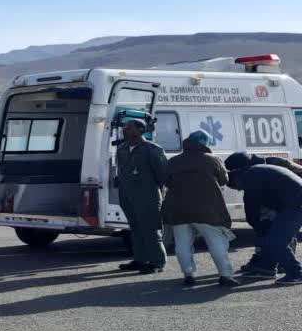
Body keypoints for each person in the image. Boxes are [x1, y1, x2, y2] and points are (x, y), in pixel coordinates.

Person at [160, 130, 238, 287]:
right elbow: (223, 181)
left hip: (178, 208)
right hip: (208, 209)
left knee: (182, 243)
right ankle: (225, 276)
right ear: (204, 143)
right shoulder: (212, 160)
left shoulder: (173, 161)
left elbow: (166, 182)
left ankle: (188, 274)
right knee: (216, 242)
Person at [225, 152, 302, 285]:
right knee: (270, 237)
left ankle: (297, 273)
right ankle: (266, 268)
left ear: (236, 176)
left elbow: (251, 206)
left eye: (236, 186)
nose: (239, 189)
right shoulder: (258, 171)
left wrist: (257, 225)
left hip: (296, 206)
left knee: (276, 242)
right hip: (293, 204)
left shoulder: (252, 176)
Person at [115, 118, 168, 274]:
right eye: (125, 127)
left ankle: (157, 262)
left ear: (140, 130)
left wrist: (154, 191)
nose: (125, 130)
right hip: (127, 196)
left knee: (151, 230)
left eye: (129, 128)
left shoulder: (152, 149)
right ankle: (140, 260)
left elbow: (162, 174)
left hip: (148, 196)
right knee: (135, 229)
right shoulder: (122, 148)